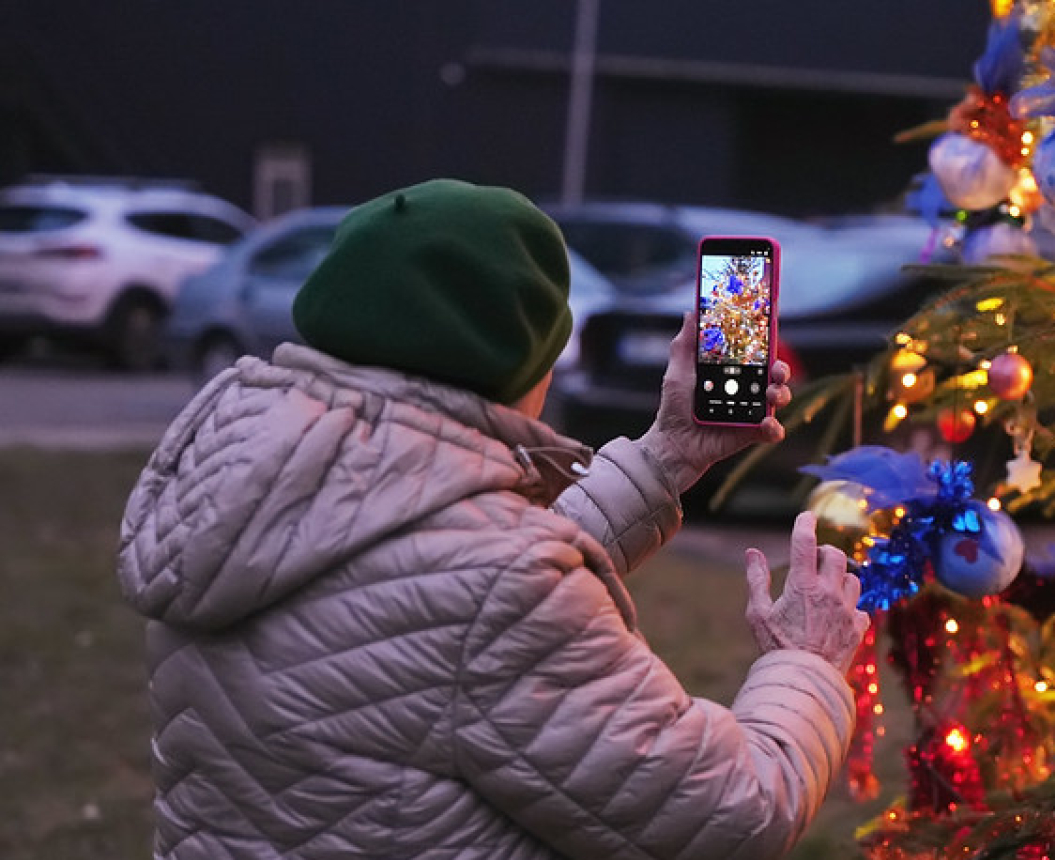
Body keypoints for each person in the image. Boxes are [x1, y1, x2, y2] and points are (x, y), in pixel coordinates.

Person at [117, 179, 870, 860]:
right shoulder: (500, 587)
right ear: (521, 364)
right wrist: (805, 660)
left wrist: (664, 458)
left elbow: (421, 591)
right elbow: (732, 817)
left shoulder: (250, 481)